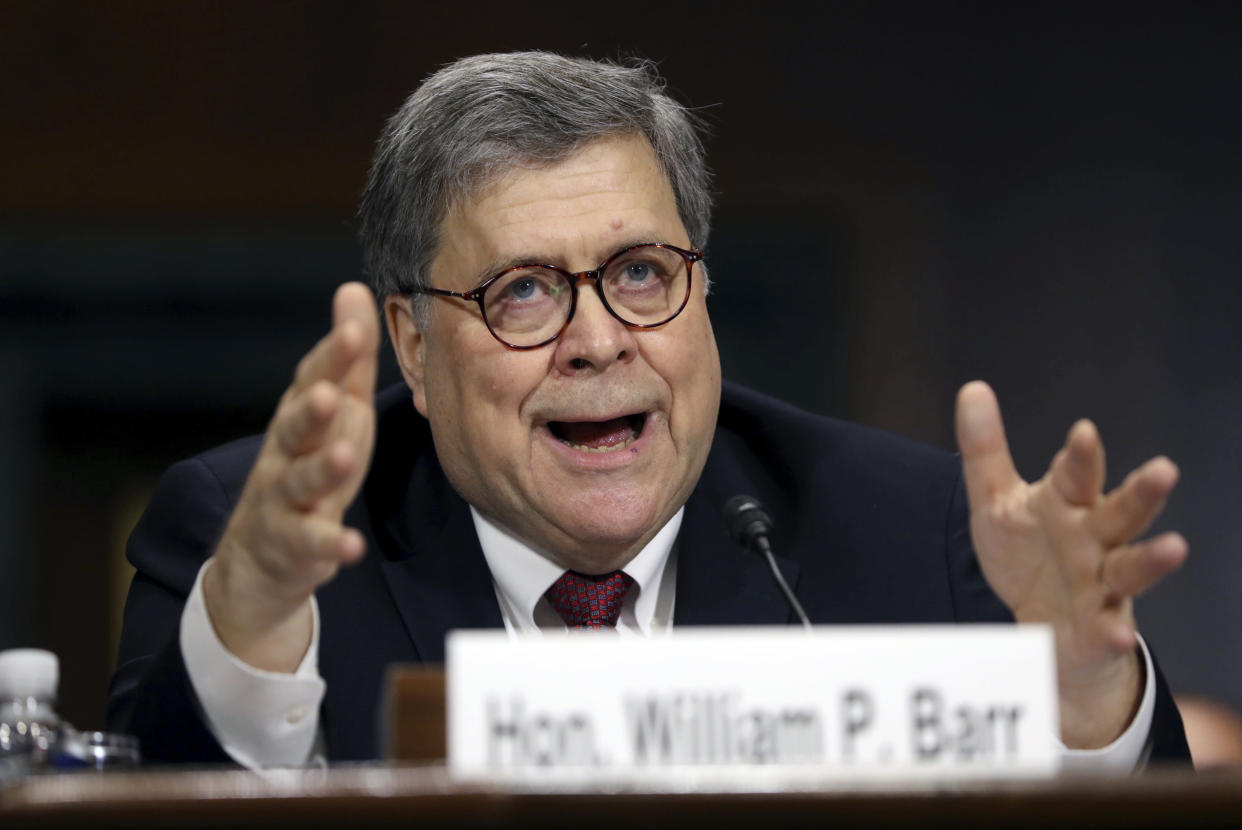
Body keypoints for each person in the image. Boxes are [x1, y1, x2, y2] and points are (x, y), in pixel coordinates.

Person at [108, 52, 1190, 769]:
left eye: (639, 270)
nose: (596, 338)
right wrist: (249, 624)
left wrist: (1086, 699)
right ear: (414, 345)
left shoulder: (914, 537)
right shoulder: (253, 542)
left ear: (702, 287)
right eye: (521, 289)